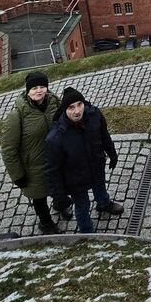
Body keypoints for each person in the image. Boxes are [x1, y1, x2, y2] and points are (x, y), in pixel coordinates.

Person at [44, 87, 124, 233]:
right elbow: (52, 170)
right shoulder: (55, 138)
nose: (77, 111)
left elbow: (104, 136)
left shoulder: (94, 115)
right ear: (64, 109)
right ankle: (88, 233)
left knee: (100, 187)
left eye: (79, 105)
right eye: (71, 107)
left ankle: (103, 203)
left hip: (96, 164)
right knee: (82, 206)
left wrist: (112, 153)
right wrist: (59, 195)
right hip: (75, 177)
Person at [0, 71, 62, 234]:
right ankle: (46, 223)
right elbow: (8, 148)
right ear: (27, 91)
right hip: (33, 165)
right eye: (34, 88)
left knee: (59, 185)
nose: (39, 91)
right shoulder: (17, 115)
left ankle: (60, 205)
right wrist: (17, 175)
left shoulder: (53, 102)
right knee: (39, 196)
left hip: (55, 158)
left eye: (42, 86)